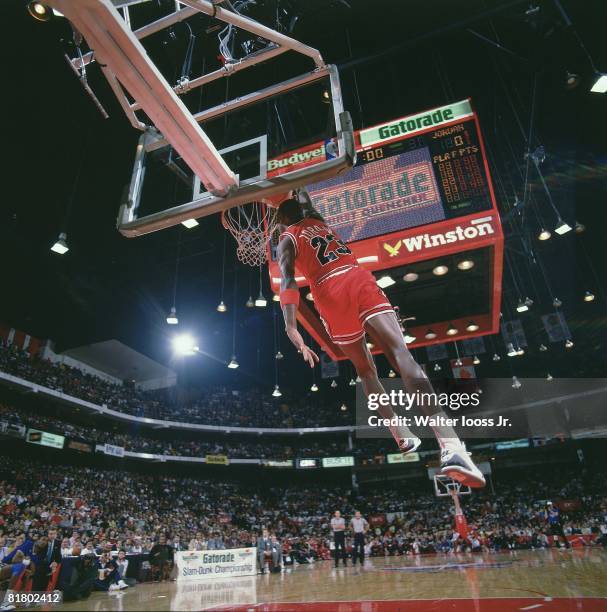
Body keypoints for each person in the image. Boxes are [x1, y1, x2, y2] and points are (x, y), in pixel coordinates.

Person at [275, 191, 485, 488]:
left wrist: (290, 326)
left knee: (364, 370)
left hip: (327, 293)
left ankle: (399, 432)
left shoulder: (287, 239)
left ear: (283, 222)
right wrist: (299, 188)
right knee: (402, 357)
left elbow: (287, 280)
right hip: (354, 277)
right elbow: (306, 202)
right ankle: (451, 446)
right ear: (303, 210)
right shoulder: (320, 222)